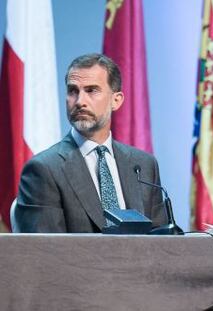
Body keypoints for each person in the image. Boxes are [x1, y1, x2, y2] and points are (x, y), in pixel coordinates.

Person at [15, 53, 166, 233]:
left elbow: (163, 241)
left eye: (91, 90)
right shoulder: (44, 169)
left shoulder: (144, 165)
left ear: (116, 100)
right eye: (73, 91)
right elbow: (46, 253)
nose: (80, 102)